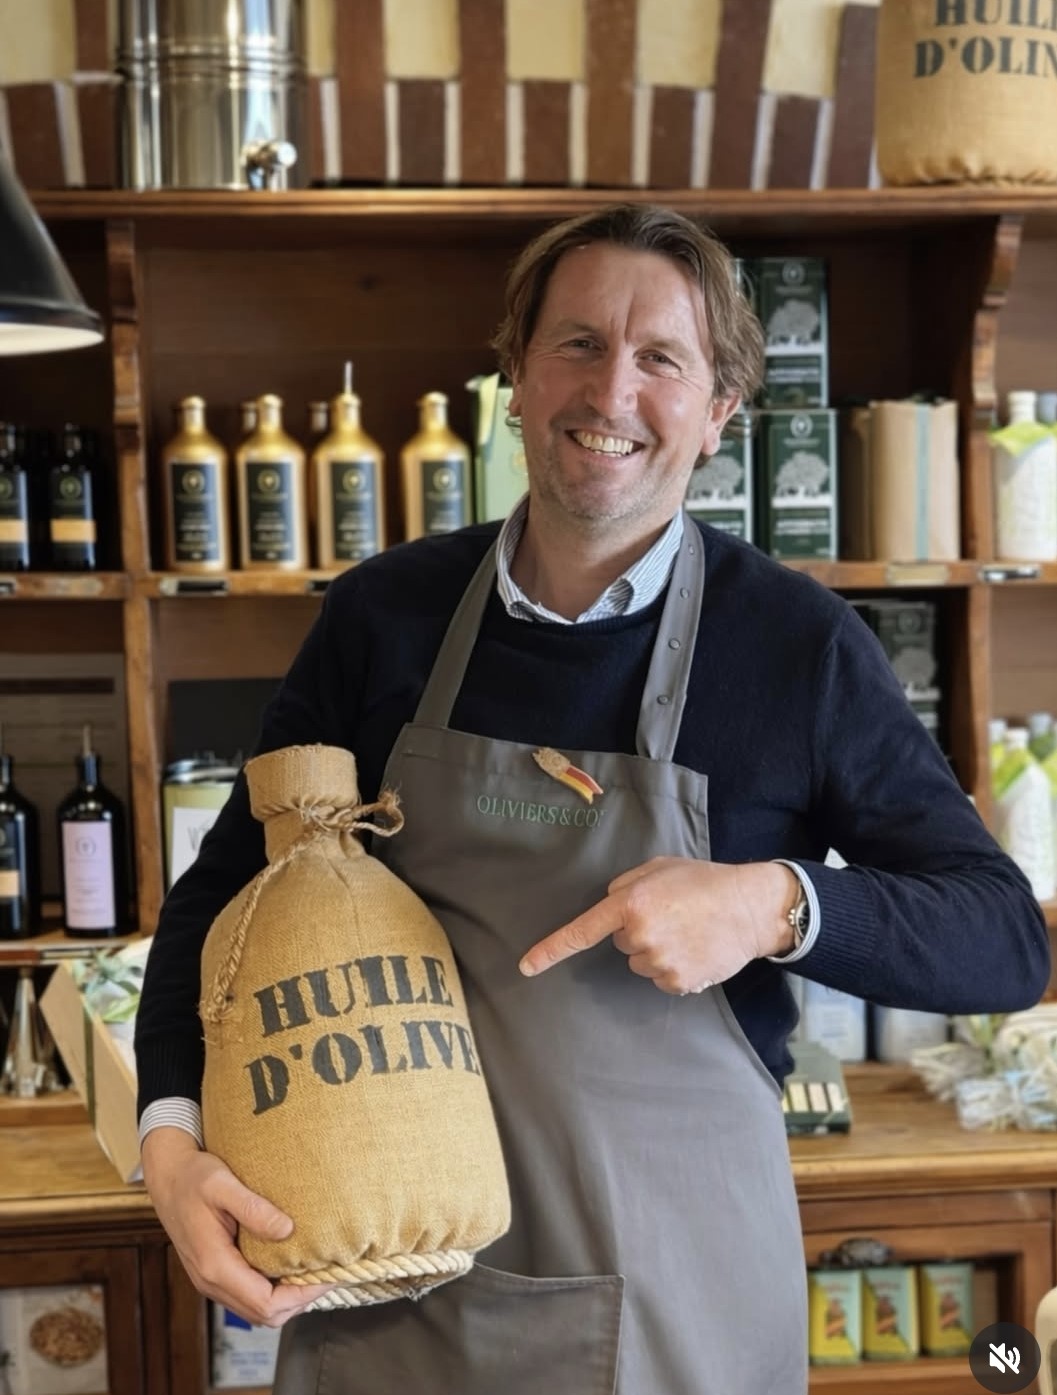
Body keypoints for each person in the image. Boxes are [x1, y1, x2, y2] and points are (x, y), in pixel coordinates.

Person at [135, 202, 1050, 1395]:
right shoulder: (383, 617)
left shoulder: (797, 647)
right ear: (514, 378)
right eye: (576, 343)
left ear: (719, 412)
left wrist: (773, 906)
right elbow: (226, 900)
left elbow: (1001, 938)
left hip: (677, 1295)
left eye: (661, 358)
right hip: (386, 1284)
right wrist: (171, 1138)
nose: (611, 391)